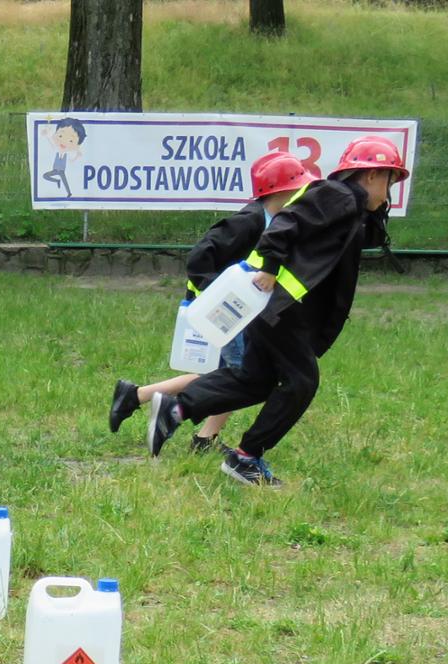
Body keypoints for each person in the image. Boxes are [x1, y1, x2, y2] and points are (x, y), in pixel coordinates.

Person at [144, 136, 406, 487]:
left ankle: (175, 409)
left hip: (282, 312)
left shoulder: (351, 207)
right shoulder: (337, 195)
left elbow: (360, 240)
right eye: (389, 180)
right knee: (301, 382)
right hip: (282, 310)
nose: (389, 192)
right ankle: (245, 458)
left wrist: (377, 212)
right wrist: (269, 266)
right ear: (372, 175)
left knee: (255, 381)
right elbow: (287, 222)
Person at [108, 151, 320, 452]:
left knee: (223, 376)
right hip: (224, 309)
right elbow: (200, 255)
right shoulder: (249, 220)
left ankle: (137, 396)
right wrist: (212, 293)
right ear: (283, 190)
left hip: (240, 311)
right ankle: (201, 436)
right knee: (241, 375)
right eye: (299, 187)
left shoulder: (277, 222)